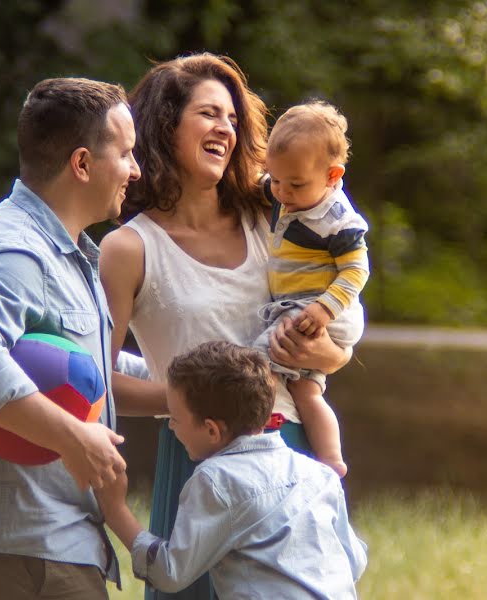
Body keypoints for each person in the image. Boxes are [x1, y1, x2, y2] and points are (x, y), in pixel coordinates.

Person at [99, 53, 352, 600]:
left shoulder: (275, 221)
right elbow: (97, 381)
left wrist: (327, 356)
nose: (226, 129)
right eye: (209, 114)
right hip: (199, 458)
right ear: (166, 126)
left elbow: (337, 340)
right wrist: (194, 400)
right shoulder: (127, 248)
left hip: (291, 446)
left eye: (234, 119)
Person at [0, 77, 141, 600]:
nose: (136, 170)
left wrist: (190, 383)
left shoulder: (65, 252)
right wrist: (72, 437)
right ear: (82, 164)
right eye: (127, 154)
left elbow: (86, 366)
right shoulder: (14, 253)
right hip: (18, 554)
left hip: (47, 544)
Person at [96, 341, 368, 598]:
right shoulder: (320, 475)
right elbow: (354, 560)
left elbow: (170, 572)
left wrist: (116, 509)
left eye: (175, 419)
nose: (171, 426)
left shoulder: (216, 480)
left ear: (212, 430)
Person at [252, 101, 370, 478]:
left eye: (295, 183)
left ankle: (257, 436)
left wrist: (324, 309)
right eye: (275, 180)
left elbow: (356, 270)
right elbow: (264, 184)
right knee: (306, 391)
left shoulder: (337, 218)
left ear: (332, 175)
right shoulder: (294, 193)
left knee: (257, 360)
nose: (282, 192)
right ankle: (332, 459)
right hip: (301, 305)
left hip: (318, 308)